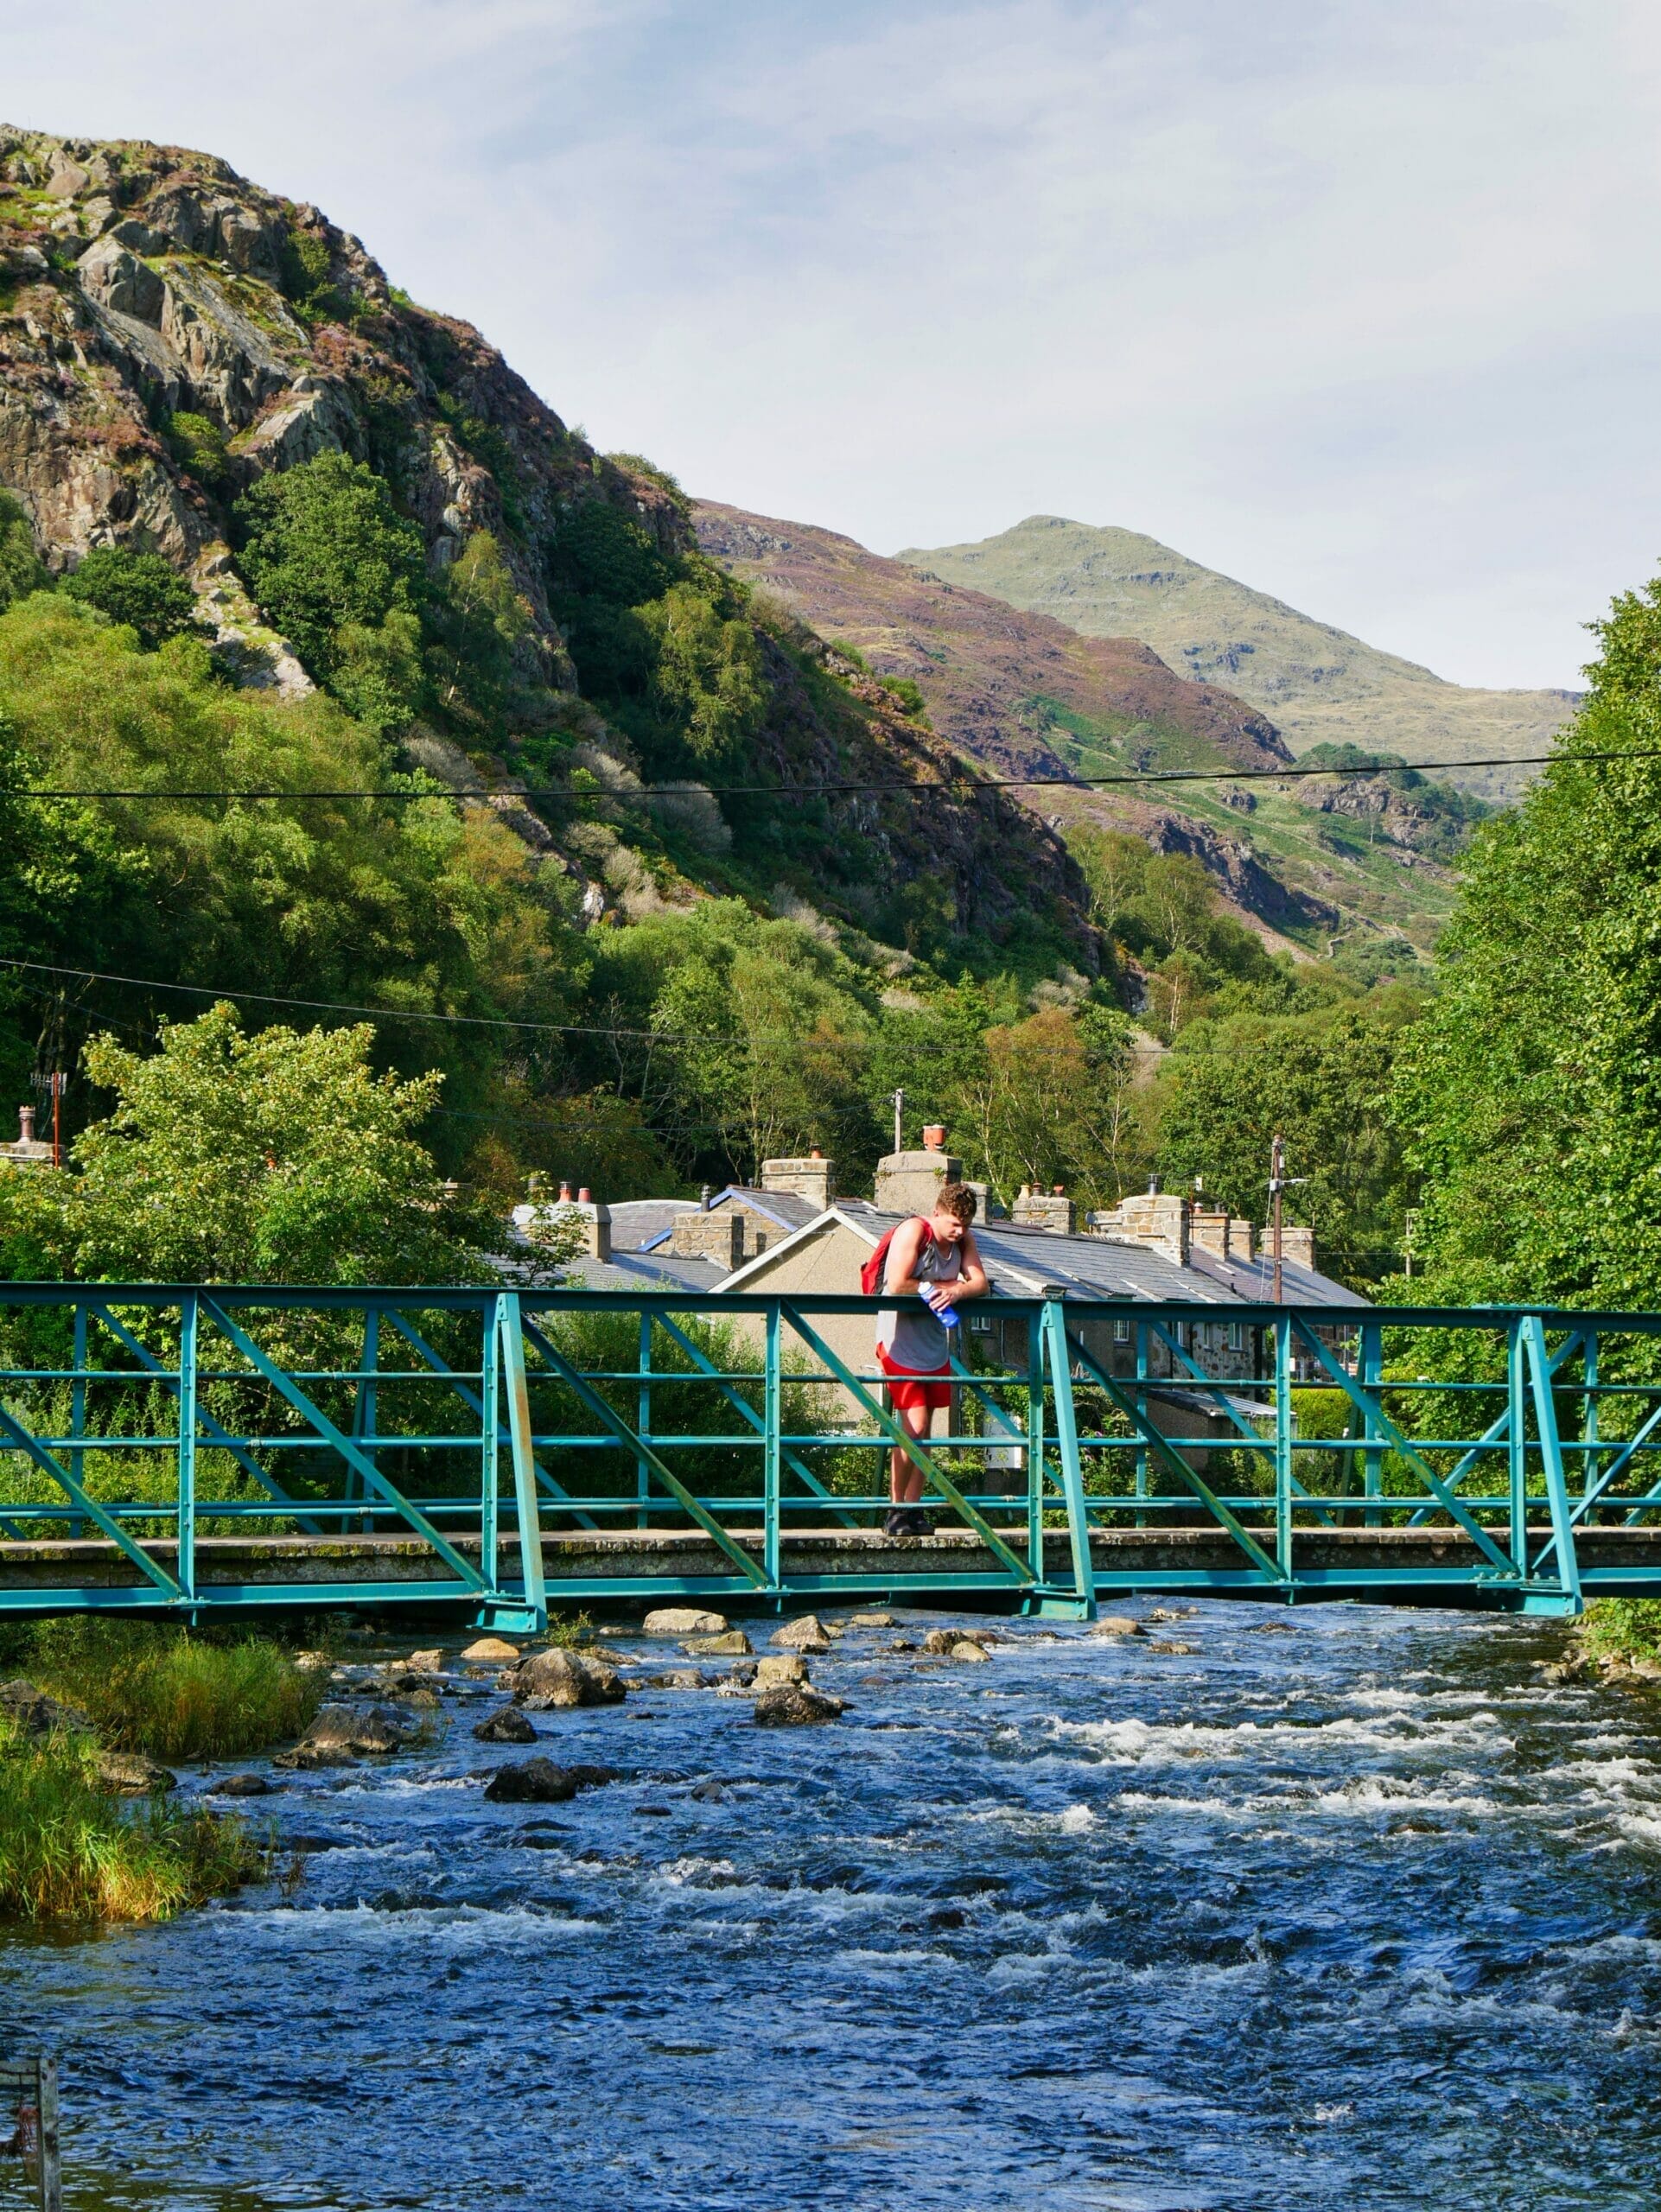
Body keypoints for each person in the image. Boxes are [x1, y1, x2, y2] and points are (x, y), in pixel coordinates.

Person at [875, 1182, 989, 1535]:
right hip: (898, 1339)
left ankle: (914, 1509)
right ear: (937, 1213)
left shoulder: (964, 1241)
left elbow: (980, 1283)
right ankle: (895, 1511)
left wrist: (959, 1289)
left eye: (966, 1225)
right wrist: (940, 1288)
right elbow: (897, 1283)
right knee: (915, 1424)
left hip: (933, 1343)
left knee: (926, 1433)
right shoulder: (914, 1231)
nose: (960, 1231)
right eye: (954, 1223)